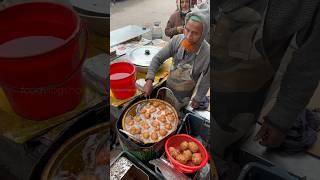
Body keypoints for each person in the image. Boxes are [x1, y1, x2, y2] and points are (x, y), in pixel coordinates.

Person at [211, 0, 320, 162]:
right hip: (207, 55)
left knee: (221, 152)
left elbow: (309, 61)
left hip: (244, 94)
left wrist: (282, 117)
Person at [144, 8, 210, 112]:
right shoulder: (177, 41)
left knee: (180, 116)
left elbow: (206, 80)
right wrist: (149, 79)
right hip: (168, 91)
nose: (188, 36)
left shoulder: (207, 54)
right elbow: (158, 58)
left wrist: (198, 98)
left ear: (203, 35)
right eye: (187, 30)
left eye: (195, 33)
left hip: (186, 98)